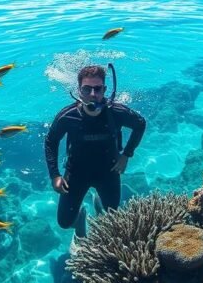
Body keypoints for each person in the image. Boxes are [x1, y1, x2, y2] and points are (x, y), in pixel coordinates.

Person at [44, 64, 147, 238]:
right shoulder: (67, 116)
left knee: (112, 217)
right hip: (76, 173)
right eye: (87, 89)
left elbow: (140, 124)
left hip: (109, 171)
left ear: (105, 89)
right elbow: (50, 142)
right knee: (63, 223)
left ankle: (98, 204)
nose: (93, 94)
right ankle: (80, 218)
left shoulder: (117, 112)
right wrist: (55, 175)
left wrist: (126, 155)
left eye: (98, 89)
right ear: (79, 90)